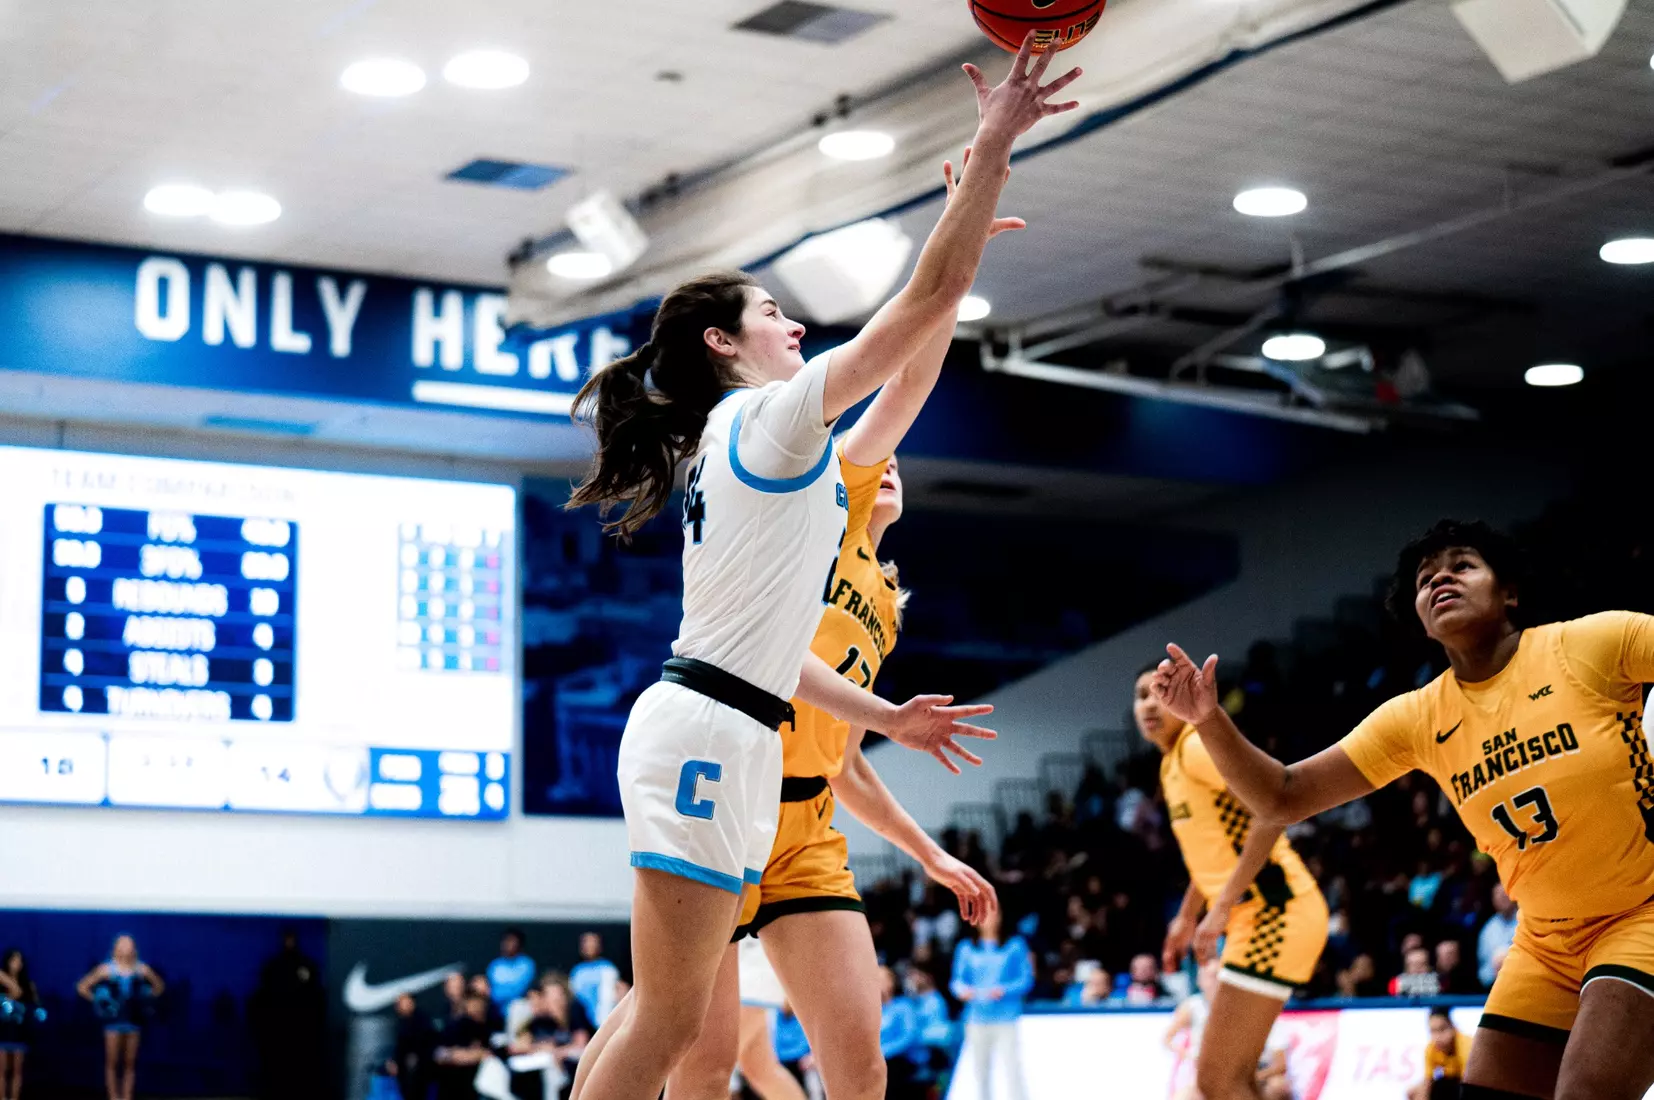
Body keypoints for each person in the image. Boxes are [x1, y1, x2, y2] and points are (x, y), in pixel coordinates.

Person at [562, 33, 1078, 1100]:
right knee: (670, 1028)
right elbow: (920, 311)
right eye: (769, 313)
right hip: (713, 725)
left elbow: (908, 364)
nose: (793, 323)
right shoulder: (765, 414)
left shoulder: (767, 444)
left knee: (657, 1020)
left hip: (730, 727)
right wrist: (984, 160)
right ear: (720, 342)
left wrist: (886, 720)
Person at [1152, 519, 1654, 1100]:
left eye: (1463, 565)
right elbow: (1282, 797)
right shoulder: (1418, 717)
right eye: (1425, 578)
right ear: (1418, 615)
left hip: (1641, 913)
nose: (1442, 578)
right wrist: (1208, 720)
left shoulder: (1592, 644)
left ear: (1508, 591)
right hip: (1545, 941)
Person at [1140, 657, 1329, 1100]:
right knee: (1224, 1082)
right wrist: (1187, 916)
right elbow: (1209, 856)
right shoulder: (1170, 766)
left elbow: (1272, 810)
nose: (1148, 703)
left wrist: (1220, 906)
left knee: (1218, 1080)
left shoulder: (1194, 748)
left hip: (1276, 913)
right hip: (1256, 919)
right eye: (1139, 695)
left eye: (1158, 692)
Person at [951, 908, 1034, 1100]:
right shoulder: (966, 948)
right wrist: (963, 991)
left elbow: (1025, 979)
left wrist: (1004, 990)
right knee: (981, 1071)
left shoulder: (1015, 945)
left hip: (1005, 1017)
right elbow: (956, 981)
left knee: (1012, 1068)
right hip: (976, 1017)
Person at [76, 934, 164, 1100]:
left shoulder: (141, 968)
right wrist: (99, 1000)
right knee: (112, 1062)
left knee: (130, 1063)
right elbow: (82, 986)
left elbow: (159, 985)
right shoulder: (107, 969)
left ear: (134, 948)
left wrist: (146, 999)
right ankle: (114, 1097)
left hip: (133, 1019)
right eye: (122, 944)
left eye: (129, 944)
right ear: (116, 947)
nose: (125, 947)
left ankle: (127, 1096)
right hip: (113, 1019)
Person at [251, 928, 326, 1100]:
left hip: (302, 1036)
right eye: (286, 938)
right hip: (277, 1036)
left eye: (292, 938)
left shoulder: (307, 965)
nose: (289, 942)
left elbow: (316, 999)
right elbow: (261, 999)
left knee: (300, 1077)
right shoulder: (273, 967)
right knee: (277, 1077)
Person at [1164, 961, 1221, 1100]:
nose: (1215, 980)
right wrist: (1187, 1055)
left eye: (1218, 976)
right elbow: (1167, 1039)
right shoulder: (1192, 1005)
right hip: (1197, 1064)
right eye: (1211, 976)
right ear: (1200, 981)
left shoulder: (1234, 1006)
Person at [875, 968, 920, 1100]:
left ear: (891, 983)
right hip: (877, 1062)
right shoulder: (872, 1012)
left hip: (898, 1061)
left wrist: (883, 1052)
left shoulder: (903, 1006)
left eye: (881, 980)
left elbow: (909, 1036)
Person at [0, 950, 39, 1100]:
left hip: (20, 1031)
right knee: (2, 1070)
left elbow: (33, 1004)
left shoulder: (28, 985)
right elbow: (13, 993)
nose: (17, 964)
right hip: (2, 1030)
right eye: (14, 960)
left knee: (17, 1071)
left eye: (19, 961)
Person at [1411, 1007, 1473, 1100]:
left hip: (1469, 1083)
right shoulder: (1431, 1048)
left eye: (1442, 1029)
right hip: (1449, 1083)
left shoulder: (1465, 1045)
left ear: (1453, 1028)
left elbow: (1470, 1085)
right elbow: (1427, 1082)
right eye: (1433, 1031)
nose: (1438, 1037)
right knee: (1413, 1092)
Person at [384, 992, 436, 1100]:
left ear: (412, 1002)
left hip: (420, 1076)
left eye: (405, 1001)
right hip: (403, 1077)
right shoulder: (400, 1023)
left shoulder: (422, 1021)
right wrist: (393, 1061)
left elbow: (425, 1046)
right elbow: (398, 1048)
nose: (402, 1005)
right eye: (399, 1003)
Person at [567, 934, 619, 1028]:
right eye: (586, 942)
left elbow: (612, 994)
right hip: (582, 1022)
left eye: (593, 942)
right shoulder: (577, 971)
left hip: (606, 1020)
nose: (589, 946)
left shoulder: (608, 968)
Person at [1479, 885, 1519, 989]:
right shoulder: (1488, 929)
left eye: (1504, 894)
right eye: (1498, 895)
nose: (1502, 898)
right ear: (1493, 900)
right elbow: (1483, 970)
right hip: (1493, 987)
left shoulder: (1526, 922)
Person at [489, 931, 537, 1016]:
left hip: (518, 1007)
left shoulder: (526, 964)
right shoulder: (495, 965)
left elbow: (519, 991)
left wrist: (498, 993)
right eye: (506, 941)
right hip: (494, 1008)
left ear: (519, 944)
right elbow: (489, 989)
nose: (508, 944)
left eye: (512, 941)